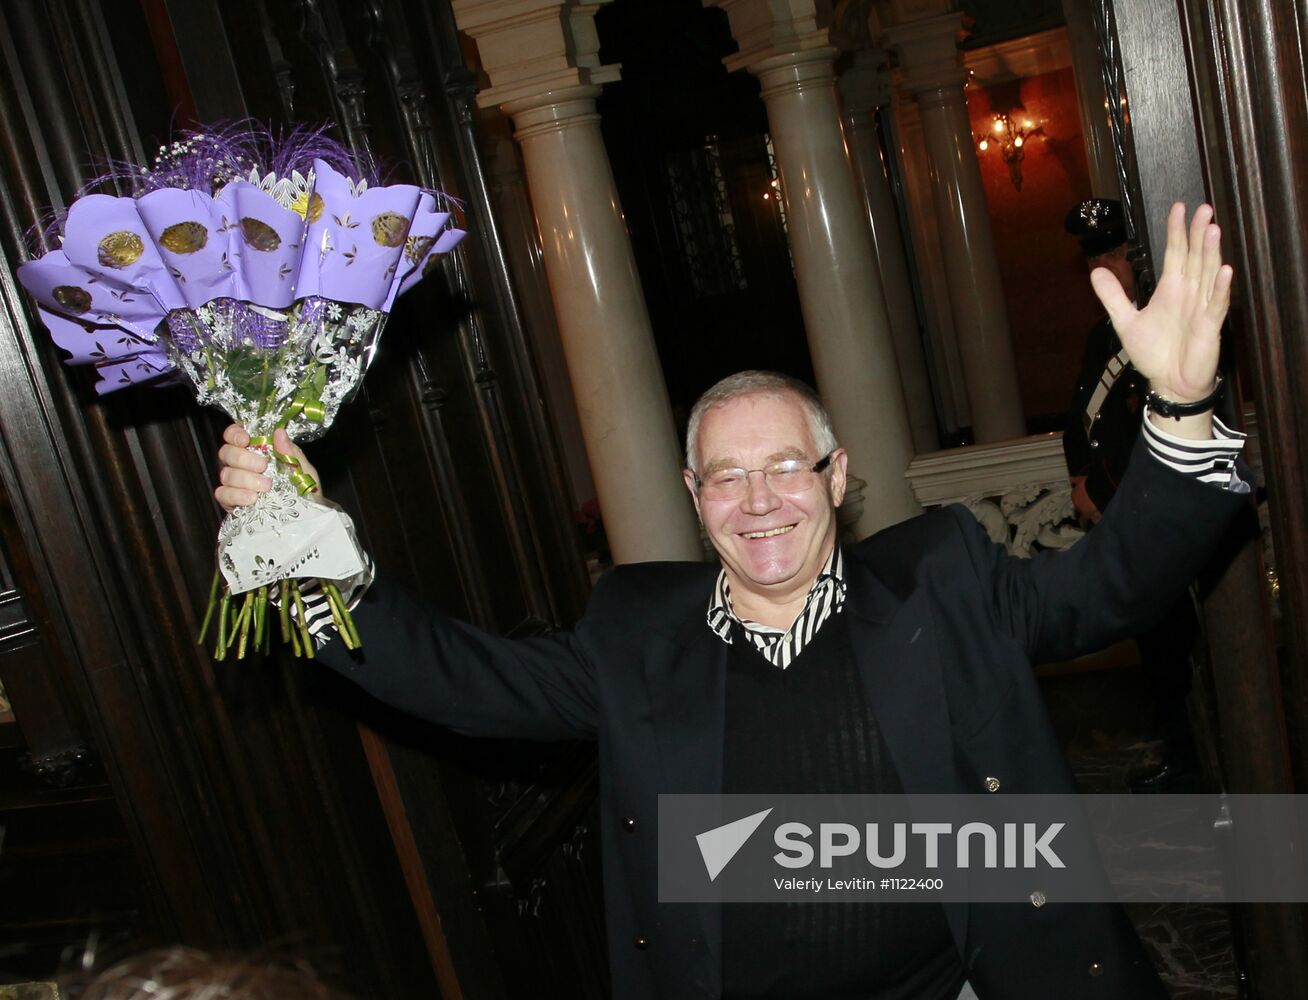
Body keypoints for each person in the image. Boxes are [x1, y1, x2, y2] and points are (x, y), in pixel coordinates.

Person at [217, 204, 1246, 999]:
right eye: (725, 476)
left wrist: (1183, 408)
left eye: (787, 465)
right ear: (692, 496)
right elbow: (467, 683)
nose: (758, 501)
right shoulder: (634, 630)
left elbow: (1110, 587)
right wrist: (324, 571)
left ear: (838, 478)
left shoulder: (943, 580)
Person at [1063, 198, 1213, 792]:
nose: (1107, 264)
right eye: (1097, 255)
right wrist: (1082, 479)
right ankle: (1183, 752)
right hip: (1122, 514)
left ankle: (1195, 762)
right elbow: (1083, 419)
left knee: (1176, 649)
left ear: (1138, 257)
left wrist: (1100, 489)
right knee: (1156, 648)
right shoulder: (1104, 333)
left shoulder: (1158, 325)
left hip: (1151, 514)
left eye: (1116, 253)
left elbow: (1145, 432)